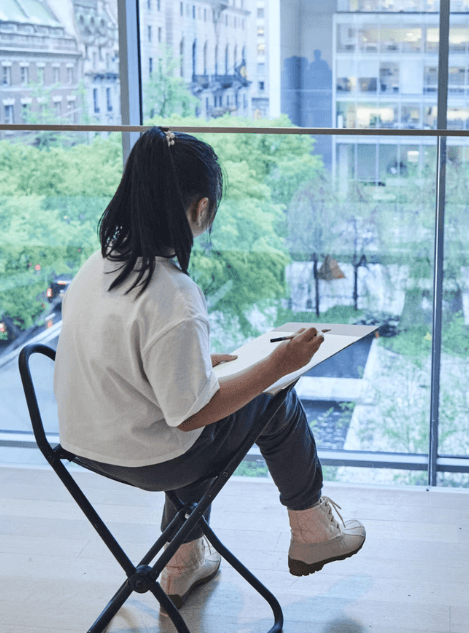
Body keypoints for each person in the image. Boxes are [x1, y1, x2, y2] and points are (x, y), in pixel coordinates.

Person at [52, 126, 365, 610]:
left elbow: (123, 361)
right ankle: (313, 529)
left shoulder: (101, 264)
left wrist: (194, 366)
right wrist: (281, 363)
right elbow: (191, 415)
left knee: (207, 419)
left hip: (85, 446)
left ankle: (181, 560)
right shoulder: (173, 292)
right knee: (276, 400)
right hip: (149, 457)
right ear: (200, 209)